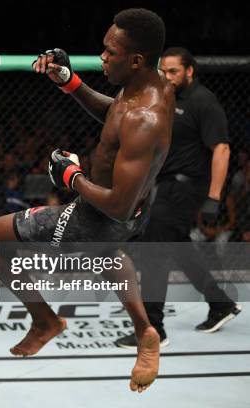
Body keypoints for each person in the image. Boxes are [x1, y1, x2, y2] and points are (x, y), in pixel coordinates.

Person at [0, 8, 172, 393]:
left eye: (110, 52)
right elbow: (115, 114)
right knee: (108, 252)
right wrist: (70, 82)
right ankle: (145, 330)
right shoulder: (150, 86)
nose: (102, 57)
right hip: (132, 210)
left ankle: (46, 319)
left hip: (102, 213)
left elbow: (116, 204)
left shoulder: (144, 118)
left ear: (136, 59)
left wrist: (71, 177)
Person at [115, 47, 240, 348]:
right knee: (178, 247)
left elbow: (221, 149)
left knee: (155, 249)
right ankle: (220, 303)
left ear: (190, 71)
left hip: (187, 187)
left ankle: (152, 329)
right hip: (167, 184)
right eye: (164, 71)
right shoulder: (167, 99)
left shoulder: (202, 101)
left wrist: (213, 197)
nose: (167, 77)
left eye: (173, 71)